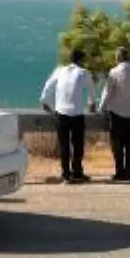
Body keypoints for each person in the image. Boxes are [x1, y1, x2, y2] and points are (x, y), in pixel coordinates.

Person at [40, 49, 96, 184]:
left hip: (61, 113)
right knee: (77, 145)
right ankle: (77, 172)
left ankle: (65, 174)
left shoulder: (60, 70)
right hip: (76, 114)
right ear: (81, 60)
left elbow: (48, 86)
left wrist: (45, 102)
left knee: (64, 145)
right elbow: (91, 91)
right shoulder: (84, 73)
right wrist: (91, 103)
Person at [100, 47, 130, 182]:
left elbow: (108, 93)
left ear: (119, 57)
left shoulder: (114, 72)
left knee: (117, 144)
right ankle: (129, 172)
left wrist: (102, 107)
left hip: (117, 113)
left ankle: (119, 172)